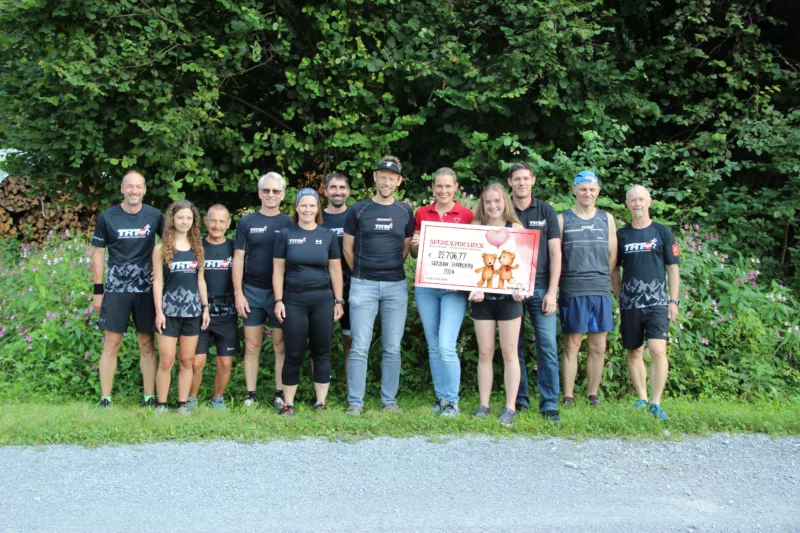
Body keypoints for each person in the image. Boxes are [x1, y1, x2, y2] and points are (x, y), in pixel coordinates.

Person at [343, 156, 415, 415]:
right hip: (363, 284)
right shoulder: (358, 210)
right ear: (375, 178)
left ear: (398, 181)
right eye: (382, 176)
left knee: (392, 347)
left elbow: (405, 248)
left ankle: (389, 400)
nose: (386, 181)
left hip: (395, 286)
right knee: (360, 346)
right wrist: (363, 274)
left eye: (392, 177)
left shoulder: (405, 211)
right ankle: (355, 402)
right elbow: (347, 248)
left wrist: (388, 269)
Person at [91, 171, 164, 408]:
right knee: (111, 343)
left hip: (146, 290)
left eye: (138, 187)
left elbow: (172, 244)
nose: (134, 191)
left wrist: (162, 269)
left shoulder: (154, 215)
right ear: (122, 189)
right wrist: (98, 290)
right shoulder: (107, 217)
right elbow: (98, 254)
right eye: (129, 186)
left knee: (146, 343)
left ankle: (149, 397)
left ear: (145, 190)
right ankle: (105, 399)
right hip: (116, 289)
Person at [272, 188, 345, 415]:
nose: (307, 209)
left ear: (317, 209)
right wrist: (278, 300)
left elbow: (335, 270)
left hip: (322, 300)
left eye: (312, 206)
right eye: (303, 205)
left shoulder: (328, 235)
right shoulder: (285, 234)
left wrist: (339, 301)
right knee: (293, 352)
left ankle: (320, 402)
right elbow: (277, 270)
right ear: (296, 208)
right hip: (293, 300)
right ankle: (288, 403)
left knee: (321, 352)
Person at [611, 185, 680, 421]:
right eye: (633, 200)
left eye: (641, 199)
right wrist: (620, 296)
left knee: (658, 350)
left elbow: (673, 267)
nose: (637, 203)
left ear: (649, 201)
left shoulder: (662, 232)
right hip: (630, 303)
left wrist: (674, 300)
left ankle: (656, 401)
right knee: (634, 351)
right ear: (627, 204)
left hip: (657, 302)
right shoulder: (622, 235)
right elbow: (614, 269)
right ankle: (642, 398)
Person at [410, 167, 474, 416]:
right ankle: (440, 399)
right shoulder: (422, 213)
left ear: (456, 187)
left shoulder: (467, 215)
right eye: (439, 186)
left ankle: (452, 401)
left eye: (448, 186)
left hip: (453, 289)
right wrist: (416, 245)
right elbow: (415, 252)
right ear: (433, 188)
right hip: (426, 286)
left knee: (447, 344)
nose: (443, 191)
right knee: (434, 345)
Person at [507, 162, 562, 423]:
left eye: (525, 179)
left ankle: (550, 401)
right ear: (510, 182)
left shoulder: (546, 211)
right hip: (509, 289)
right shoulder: (501, 209)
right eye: (516, 179)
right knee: (512, 348)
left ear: (533, 181)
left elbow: (555, 253)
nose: (521, 183)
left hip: (541, 288)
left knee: (547, 345)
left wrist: (553, 291)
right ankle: (520, 399)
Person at [468, 183, 527, 426]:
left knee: (509, 352)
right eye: (488, 202)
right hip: (483, 301)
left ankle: (510, 407)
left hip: (508, 301)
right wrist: (473, 286)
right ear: (483, 204)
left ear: (505, 202)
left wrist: (521, 289)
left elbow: (525, 266)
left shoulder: (517, 229)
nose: (493, 206)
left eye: (497, 201)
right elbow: (469, 266)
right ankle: (484, 404)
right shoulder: (474, 228)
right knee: (484, 353)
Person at [558, 171, 618, 407]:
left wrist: (600, 275)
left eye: (592, 189)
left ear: (598, 192)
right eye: (583, 188)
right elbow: (557, 256)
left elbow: (613, 256)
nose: (587, 193)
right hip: (573, 289)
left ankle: (593, 394)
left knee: (598, 345)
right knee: (572, 345)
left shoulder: (607, 219)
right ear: (574, 190)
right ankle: (568, 396)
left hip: (600, 289)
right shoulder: (563, 219)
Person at [233, 172, 292, 409]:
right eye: (266, 190)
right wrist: (238, 293)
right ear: (259, 193)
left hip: (280, 295)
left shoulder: (289, 223)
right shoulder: (247, 222)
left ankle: (279, 394)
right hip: (252, 292)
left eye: (275, 191)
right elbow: (238, 259)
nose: (270, 195)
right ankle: (251, 396)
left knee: (280, 345)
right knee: (251, 346)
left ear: (282, 195)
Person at [152, 200, 210, 414]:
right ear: (172, 220)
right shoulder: (161, 249)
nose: (184, 221)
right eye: (180, 217)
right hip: (168, 313)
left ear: (193, 221)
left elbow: (201, 280)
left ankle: (182, 404)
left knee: (187, 360)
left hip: (192, 312)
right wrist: (159, 312)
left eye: (188, 218)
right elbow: (157, 282)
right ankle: (161, 404)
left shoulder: (198, 248)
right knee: (166, 360)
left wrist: (205, 308)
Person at [189, 204, 239, 410]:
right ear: (206, 221)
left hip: (226, 313)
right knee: (196, 362)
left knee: (225, 363)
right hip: (200, 312)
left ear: (228, 224)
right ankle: (191, 399)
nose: (217, 225)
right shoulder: (196, 246)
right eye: (213, 221)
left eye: (222, 221)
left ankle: (217, 399)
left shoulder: (235, 248)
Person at [321, 172, 352, 386]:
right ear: (325, 191)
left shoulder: (356, 215)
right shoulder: (317, 217)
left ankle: (352, 390)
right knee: (321, 342)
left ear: (348, 191)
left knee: (351, 340)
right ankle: (320, 390)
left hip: (351, 285)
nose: (338, 191)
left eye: (342, 187)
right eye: (333, 187)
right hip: (322, 286)